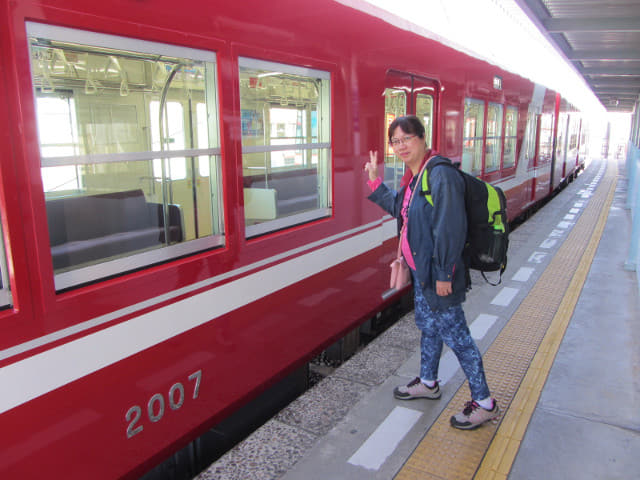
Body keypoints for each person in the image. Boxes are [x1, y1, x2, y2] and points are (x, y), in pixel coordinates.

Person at [364, 115, 500, 430]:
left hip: (439, 277)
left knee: (459, 339)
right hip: (423, 275)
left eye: (406, 138)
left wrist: (444, 275)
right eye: (395, 141)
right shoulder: (416, 176)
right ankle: (428, 382)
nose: (400, 146)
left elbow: (450, 231)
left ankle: (484, 403)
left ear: (422, 138)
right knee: (429, 328)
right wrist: (374, 180)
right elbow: (400, 209)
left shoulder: (440, 176)